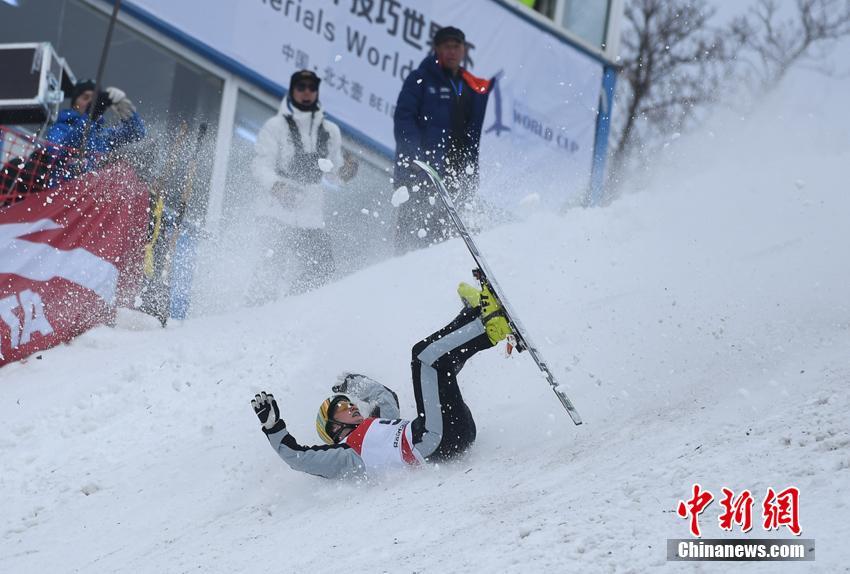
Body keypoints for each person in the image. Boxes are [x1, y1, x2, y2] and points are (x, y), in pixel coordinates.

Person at [251, 280, 513, 479]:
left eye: (347, 402)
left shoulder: (377, 424)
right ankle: (489, 328)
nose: (351, 406)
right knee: (424, 359)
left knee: (440, 368)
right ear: (332, 428)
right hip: (436, 441)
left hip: (452, 430)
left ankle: (472, 314)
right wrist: (274, 428)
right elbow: (299, 458)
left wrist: (350, 383)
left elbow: (385, 397)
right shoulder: (347, 454)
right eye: (341, 407)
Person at [251, 70, 353, 298]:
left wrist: (346, 172)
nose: (306, 92)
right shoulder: (275, 126)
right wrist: (277, 187)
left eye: (311, 87)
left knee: (322, 267)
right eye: (301, 87)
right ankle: (253, 313)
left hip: (310, 216)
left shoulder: (330, 131)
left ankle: (291, 306)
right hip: (275, 211)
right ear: (292, 90)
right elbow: (260, 166)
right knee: (268, 271)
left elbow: (334, 174)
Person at [392, 26, 495, 253]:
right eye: (446, 46)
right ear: (436, 49)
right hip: (421, 174)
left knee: (443, 247)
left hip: (454, 178)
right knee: (410, 243)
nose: (451, 51)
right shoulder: (420, 79)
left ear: (463, 50)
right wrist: (416, 161)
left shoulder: (470, 87)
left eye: (456, 46)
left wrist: (469, 176)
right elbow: (404, 122)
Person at [43, 79, 145, 184]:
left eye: (95, 99)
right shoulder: (59, 128)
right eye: (85, 98)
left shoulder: (102, 136)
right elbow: (59, 151)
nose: (90, 102)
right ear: (74, 104)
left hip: (93, 196)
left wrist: (128, 111)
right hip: (61, 195)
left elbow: (137, 133)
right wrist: (90, 117)